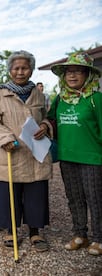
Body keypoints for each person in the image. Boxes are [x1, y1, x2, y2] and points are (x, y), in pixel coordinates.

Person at [0, 50, 52, 252]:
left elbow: (46, 117)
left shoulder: (38, 93)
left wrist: (45, 127)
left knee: (36, 193)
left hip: (34, 153)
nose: (20, 72)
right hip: (9, 151)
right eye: (16, 68)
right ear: (10, 70)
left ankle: (35, 232)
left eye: (25, 68)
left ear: (31, 70)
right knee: (9, 193)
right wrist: (5, 138)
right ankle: (11, 231)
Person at [47, 52, 102, 256]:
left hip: (93, 158)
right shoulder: (60, 99)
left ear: (87, 75)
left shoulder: (96, 98)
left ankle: (99, 238)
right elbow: (50, 120)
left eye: (78, 71)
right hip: (67, 157)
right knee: (74, 198)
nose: (72, 76)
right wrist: (44, 125)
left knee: (95, 198)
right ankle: (80, 234)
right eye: (69, 72)